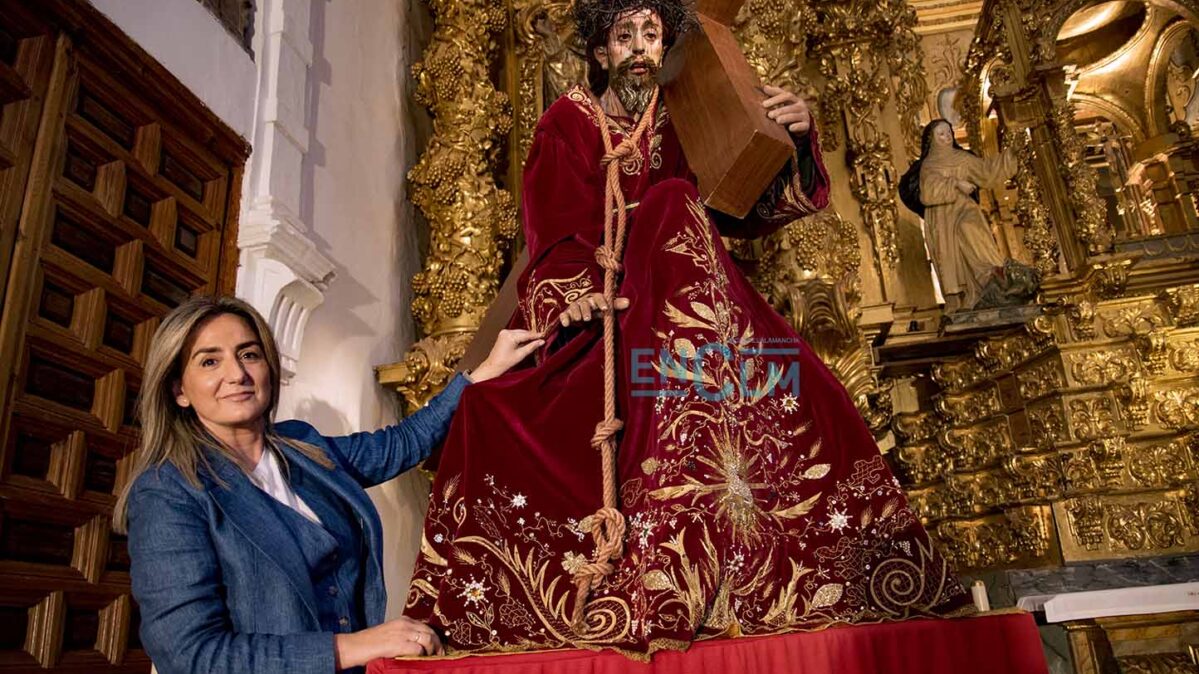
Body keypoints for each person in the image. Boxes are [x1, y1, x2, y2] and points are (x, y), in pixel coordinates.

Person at [405, 0, 971, 658]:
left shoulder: (684, 119)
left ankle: (788, 580)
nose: (641, 48)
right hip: (610, 315)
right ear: (600, 54)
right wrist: (579, 296)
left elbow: (749, 203)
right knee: (492, 412)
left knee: (805, 385)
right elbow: (552, 229)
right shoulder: (568, 122)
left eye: (652, 34)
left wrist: (793, 137)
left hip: (690, 311)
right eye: (624, 37)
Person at [114, 295, 542, 674]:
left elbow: (401, 443)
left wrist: (479, 375)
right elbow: (192, 655)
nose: (237, 374)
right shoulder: (167, 492)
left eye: (249, 354)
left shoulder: (302, 446)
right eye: (209, 361)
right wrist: (357, 646)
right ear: (179, 391)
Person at [899, 119, 1036, 312]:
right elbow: (928, 193)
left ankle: (991, 275)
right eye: (941, 134)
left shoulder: (962, 158)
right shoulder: (928, 165)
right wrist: (956, 183)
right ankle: (970, 294)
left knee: (972, 228)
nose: (947, 138)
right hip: (942, 217)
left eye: (949, 133)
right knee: (952, 254)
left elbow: (986, 172)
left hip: (965, 208)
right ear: (932, 140)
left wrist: (1011, 156)